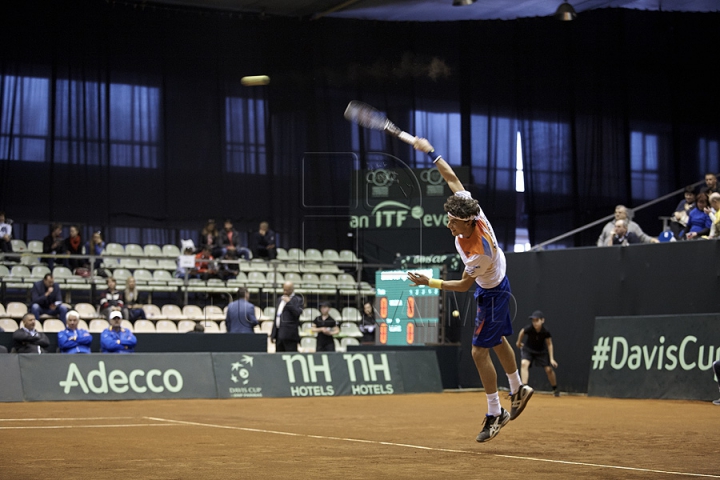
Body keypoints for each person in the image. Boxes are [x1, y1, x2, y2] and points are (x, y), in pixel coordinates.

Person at [408, 137, 532, 443]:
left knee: (479, 352)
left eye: (453, 223)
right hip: (497, 283)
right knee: (498, 339)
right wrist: (432, 152)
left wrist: (430, 282)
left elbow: (464, 285)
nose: (448, 226)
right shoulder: (469, 209)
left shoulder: (479, 251)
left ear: (467, 223)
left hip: (491, 292)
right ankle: (517, 388)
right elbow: (451, 178)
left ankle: (496, 411)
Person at [516, 311, 559, 397]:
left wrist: (551, 359)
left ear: (542, 320)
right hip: (528, 349)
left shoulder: (545, 331)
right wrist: (518, 342)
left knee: (549, 370)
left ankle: (555, 389)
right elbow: (522, 332)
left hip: (541, 352)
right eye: (533, 321)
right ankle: (524, 388)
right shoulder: (529, 328)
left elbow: (549, 344)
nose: (535, 323)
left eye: (537, 320)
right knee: (524, 364)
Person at [271, 281, 303, 352]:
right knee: (279, 357)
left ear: (292, 289)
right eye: (284, 289)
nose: (285, 292)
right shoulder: (280, 299)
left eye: (287, 290)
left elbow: (297, 313)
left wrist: (289, 303)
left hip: (290, 336)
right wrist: (273, 334)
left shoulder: (298, 300)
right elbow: (276, 317)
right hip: (279, 335)